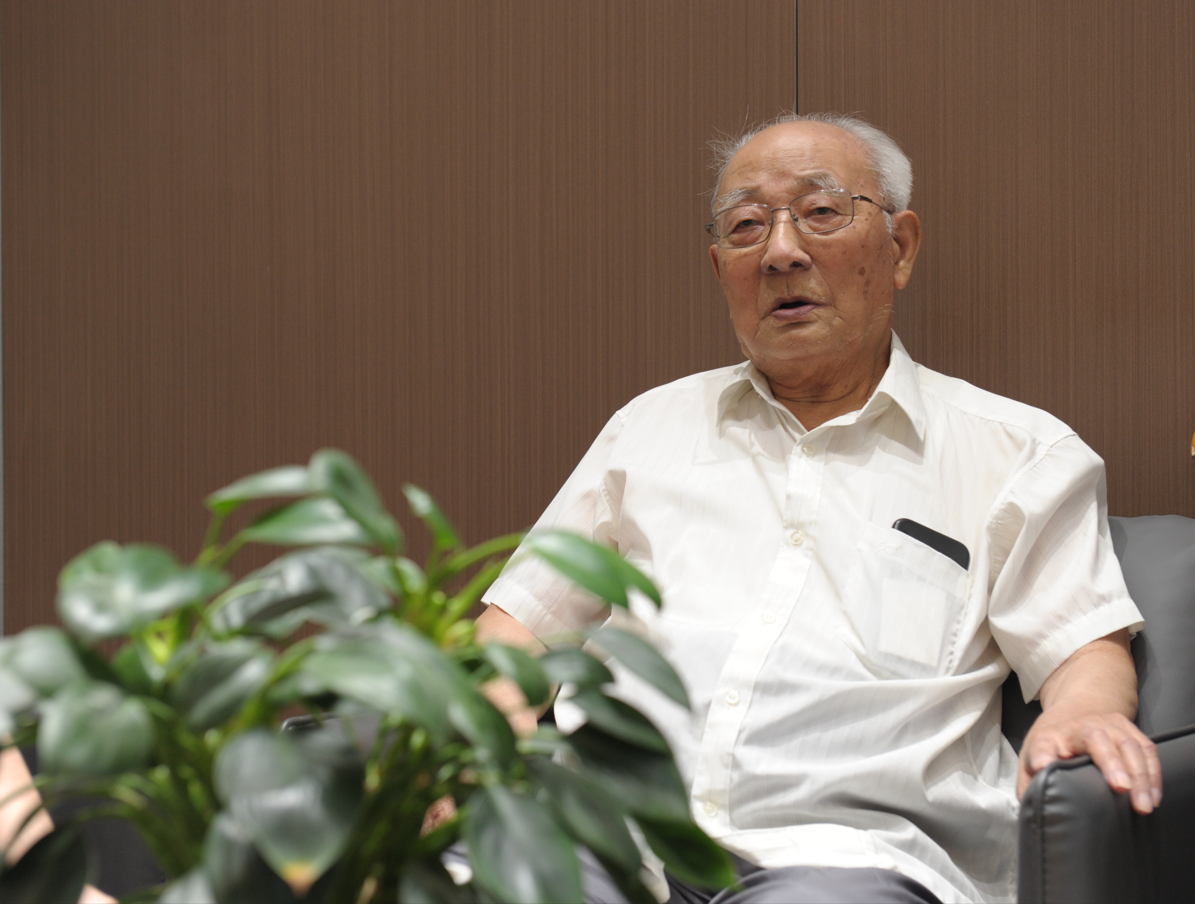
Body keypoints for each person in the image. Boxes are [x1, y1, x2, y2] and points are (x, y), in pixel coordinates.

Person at [476, 113, 1160, 904]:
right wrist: (483, 733)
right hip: (602, 840)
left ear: (899, 248)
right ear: (719, 267)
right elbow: (520, 627)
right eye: (745, 226)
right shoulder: (647, 428)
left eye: (821, 212)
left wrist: (1088, 712)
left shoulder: (1018, 453)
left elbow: (1081, 649)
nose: (779, 252)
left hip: (844, 855)